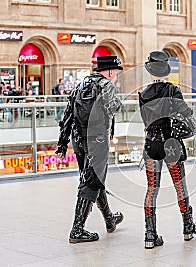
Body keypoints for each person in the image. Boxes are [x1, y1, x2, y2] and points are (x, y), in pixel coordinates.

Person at [56, 56, 124, 244]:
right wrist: (118, 103)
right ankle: (77, 229)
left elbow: (68, 113)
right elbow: (111, 109)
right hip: (97, 140)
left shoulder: (80, 84)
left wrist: (62, 142)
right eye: (116, 73)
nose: (116, 77)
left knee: (93, 178)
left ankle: (109, 219)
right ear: (110, 71)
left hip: (78, 139)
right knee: (90, 181)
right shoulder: (107, 86)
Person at [139, 51, 196, 249]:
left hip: (151, 146)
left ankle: (150, 234)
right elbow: (187, 112)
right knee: (179, 187)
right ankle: (188, 228)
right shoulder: (173, 91)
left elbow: (146, 121)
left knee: (152, 189)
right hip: (171, 145)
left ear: (150, 72)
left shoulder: (143, 94)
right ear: (166, 70)